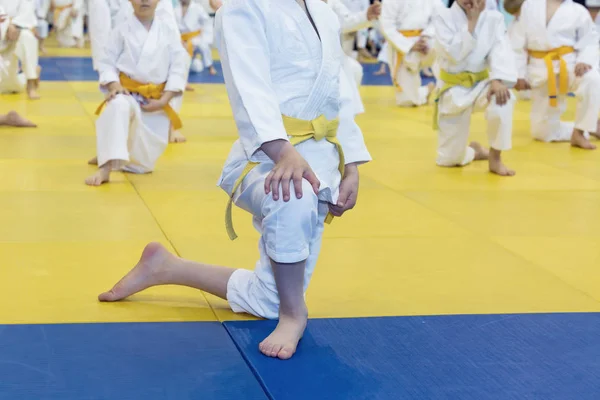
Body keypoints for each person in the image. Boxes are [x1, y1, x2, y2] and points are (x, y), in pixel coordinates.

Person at [98, 0, 371, 361]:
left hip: (322, 158)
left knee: (267, 299)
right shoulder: (243, 8)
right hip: (260, 158)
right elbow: (249, 88)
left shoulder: (323, 11)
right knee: (294, 193)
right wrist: (281, 150)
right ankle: (295, 314)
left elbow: (341, 93)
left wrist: (351, 163)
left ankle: (165, 267)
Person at [85, 0, 189, 186]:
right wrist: (114, 85)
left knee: (141, 166)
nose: (144, 1)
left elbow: (178, 68)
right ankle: (106, 166)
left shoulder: (168, 32)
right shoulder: (120, 30)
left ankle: (118, 155)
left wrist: (165, 99)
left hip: (156, 103)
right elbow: (107, 62)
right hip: (128, 94)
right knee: (117, 105)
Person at [434, 0, 517, 176]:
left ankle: (495, 157)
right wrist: (472, 22)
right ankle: (474, 151)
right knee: (448, 160)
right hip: (453, 88)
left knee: (503, 98)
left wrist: (498, 79)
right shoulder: (443, 16)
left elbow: (500, 50)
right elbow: (454, 54)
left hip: (482, 85)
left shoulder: (494, 18)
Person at [510, 0, 600, 149]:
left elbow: (590, 41)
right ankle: (592, 126)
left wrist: (583, 61)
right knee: (543, 133)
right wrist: (518, 73)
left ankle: (580, 130)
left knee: (592, 79)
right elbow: (517, 42)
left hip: (570, 66)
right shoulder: (529, 5)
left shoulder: (578, 11)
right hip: (540, 69)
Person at [380, 0, 443, 107]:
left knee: (446, 48)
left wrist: (426, 36)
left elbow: (439, 17)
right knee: (407, 101)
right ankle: (426, 91)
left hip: (426, 41)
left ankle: (448, 87)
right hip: (401, 44)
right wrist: (409, 46)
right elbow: (386, 26)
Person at [0, 0, 41, 100]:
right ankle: (26, 75)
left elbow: (26, 13)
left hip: (16, 30)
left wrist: (13, 24)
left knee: (28, 37)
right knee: (9, 86)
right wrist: (6, 24)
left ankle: (31, 82)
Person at [175, 0, 216, 78]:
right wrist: (178, 40)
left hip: (195, 38)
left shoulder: (197, 8)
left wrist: (205, 38)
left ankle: (210, 66)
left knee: (203, 46)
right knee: (194, 67)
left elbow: (207, 22)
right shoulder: (174, 9)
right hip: (180, 39)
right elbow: (172, 27)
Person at [504, 0, 531, 100]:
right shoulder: (515, 24)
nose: (515, 15)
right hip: (517, 56)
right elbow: (517, 50)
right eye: (512, 14)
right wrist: (520, 75)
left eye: (516, 13)